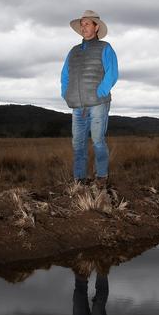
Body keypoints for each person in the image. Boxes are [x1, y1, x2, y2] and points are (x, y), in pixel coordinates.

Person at [61, 10, 119, 188]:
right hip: (77, 105)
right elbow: (65, 74)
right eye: (82, 24)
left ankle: (101, 177)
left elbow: (112, 73)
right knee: (77, 143)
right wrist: (65, 92)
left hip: (98, 103)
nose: (83, 26)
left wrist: (101, 91)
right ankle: (80, 179)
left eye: (87, 23)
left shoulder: (105, 47)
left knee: (98, 141)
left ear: (96, 27)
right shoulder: (73, 51)